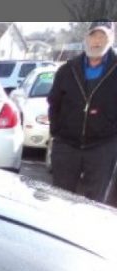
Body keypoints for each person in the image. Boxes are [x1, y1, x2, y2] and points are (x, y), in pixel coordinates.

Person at [48, 21, 117, 203]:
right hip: (67, 145)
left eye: (103, 36)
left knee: (94, 204)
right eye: (93, 36)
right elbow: (54, 103)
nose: (97, 41)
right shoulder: (67, 70)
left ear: (111, 39)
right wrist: (57, 132)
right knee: (59, 200)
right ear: (86, 38)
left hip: (103, 147)